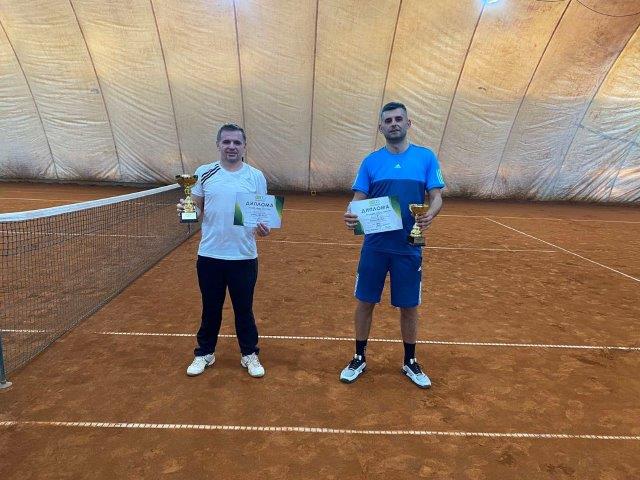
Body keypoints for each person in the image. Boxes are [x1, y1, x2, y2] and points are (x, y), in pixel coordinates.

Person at [340, 102, 445, 389]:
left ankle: (410, 361)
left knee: (409, 305)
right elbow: (358, 198)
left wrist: (431, 214)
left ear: (408, 123)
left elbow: (436, 196)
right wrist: (350, 213)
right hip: (375, 245)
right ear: (381, 127)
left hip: (410, 244)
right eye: (388, 120)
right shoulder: (371, 161)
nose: (394, 123)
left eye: (399, 119)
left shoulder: (425, 157)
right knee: (365, 301)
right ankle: (358, 357)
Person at [178, 123, 270, 378]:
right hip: (210, 256)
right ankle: (204, 352)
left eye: (237, 142)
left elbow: (262, 215)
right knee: (210, 308)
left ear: (244, 146)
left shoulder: (256, 176)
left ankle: (249, 354)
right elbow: (196, 209)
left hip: (244, 256)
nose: (231, 146)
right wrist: (187, 211)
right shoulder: (204, 173)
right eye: (226, 142)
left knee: (244, 309)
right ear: (218, 144)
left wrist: (264, 229)